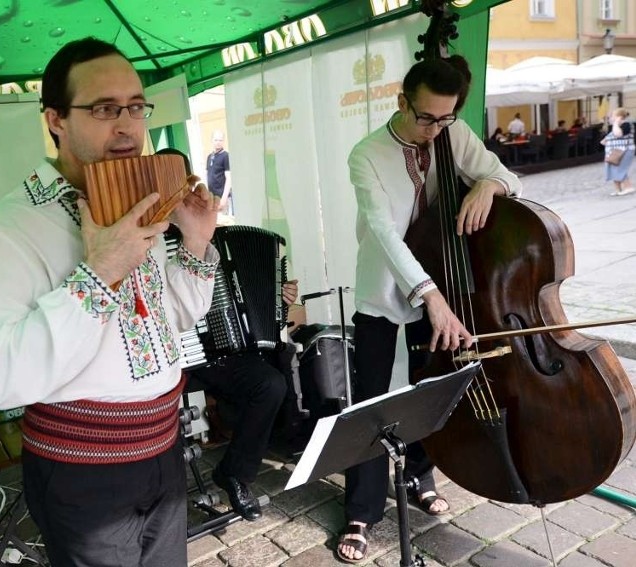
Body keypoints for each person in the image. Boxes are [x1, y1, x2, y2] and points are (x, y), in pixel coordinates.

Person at [0, 37, 220, 567]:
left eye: (135, 106)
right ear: (56, 119)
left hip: (164, 449)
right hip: (84, 472)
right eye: (106, 109)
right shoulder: (10, 226)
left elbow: (171, 319)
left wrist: (194, 241)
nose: (128, 125)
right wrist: (102, 270)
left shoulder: (135, 198)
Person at [338, 55, 522, 563]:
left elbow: (508, 176)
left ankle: (420, 475)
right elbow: (383, 231)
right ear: (402, 101)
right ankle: (362, 508)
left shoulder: (451, 133)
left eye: (445, 119)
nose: (434, 130)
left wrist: (489, 184)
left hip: (443, 285)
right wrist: (431, 297)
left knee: (428, 392)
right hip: (385, 290)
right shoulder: (366, 154)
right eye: (425, 118)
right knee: (374, 403)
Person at [187, 278, 299, 521]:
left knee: (272, 384)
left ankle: (233, 472)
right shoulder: (165, 246)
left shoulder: (225, 245)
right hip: (186, 348)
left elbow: (268, 315)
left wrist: (280, 300)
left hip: (231, 352)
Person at [600, 107, 635, 197]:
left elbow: (618, 134)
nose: (610, 119)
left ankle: (628, 187)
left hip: (625, 150)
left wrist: (615, 123)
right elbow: (605, 141)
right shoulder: (618, 126)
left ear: (619, 117)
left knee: (619, 169)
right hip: (615, 151)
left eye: (612, 117)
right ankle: (619, 189)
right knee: (612, 169)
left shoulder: (626, 124)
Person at [206, 130, 233, 214]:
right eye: (216, 140)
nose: (218, 142)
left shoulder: (226, 156)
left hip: (222, 198)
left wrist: (224, 199)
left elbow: (229, 178)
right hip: (212, 198)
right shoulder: (210, 157)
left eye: (220, 140)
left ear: (223, 141)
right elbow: (207, 175)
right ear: (212, 140)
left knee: (225, 224)